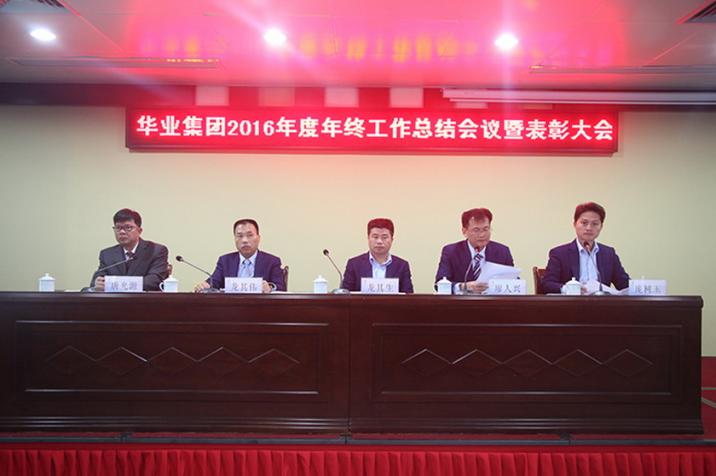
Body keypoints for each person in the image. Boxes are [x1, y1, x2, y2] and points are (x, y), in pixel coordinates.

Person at [542, 202, 629, 294]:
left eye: (595, 224)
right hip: (572, 302)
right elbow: (547, 284)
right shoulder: (559, 253)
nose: (589, 228)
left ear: (601, 227)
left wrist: (637, 286)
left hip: (601, 302)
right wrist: (567, 289)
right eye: (584, 223)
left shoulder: (608, 254)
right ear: (575, 224)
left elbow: (624, 284)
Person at [435, 208, 514, 294]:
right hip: (462, 302)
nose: (482, 235)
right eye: (476, 230)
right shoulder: (451, 251)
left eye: (485, 229)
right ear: (464, 231)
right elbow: (439, 284)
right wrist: (463, 287)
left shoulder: (502, 252)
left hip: (493, 301)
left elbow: (514, 282)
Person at [194, 218, 285, 293]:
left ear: (258, 238)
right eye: (240, 236)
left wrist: (270, 287)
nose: (244, 240)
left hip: (260, 308)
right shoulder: (225, 261)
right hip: (231, 307)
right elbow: (214, 282)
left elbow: (281, 287)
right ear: (235, 238)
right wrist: (205, 286)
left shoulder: (272, 261)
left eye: (249, 235)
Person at [89, 208, 169, 291]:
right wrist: (97, 283)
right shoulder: (107, 254)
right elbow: (97, 280)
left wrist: (117, 285)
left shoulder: (156, 251)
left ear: (139, 231)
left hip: (145, 298)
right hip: (115, 299)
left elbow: (154, 280)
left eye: (128, 227)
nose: (122, 232)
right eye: (118, 228)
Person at [341, 218, 414, 293]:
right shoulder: (354, 264)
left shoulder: (402, 266)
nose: (379, 241)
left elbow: (408, 296)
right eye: (375, 237)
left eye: (384, 237)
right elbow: (345, 295)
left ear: (392, 239)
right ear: (368, 238)